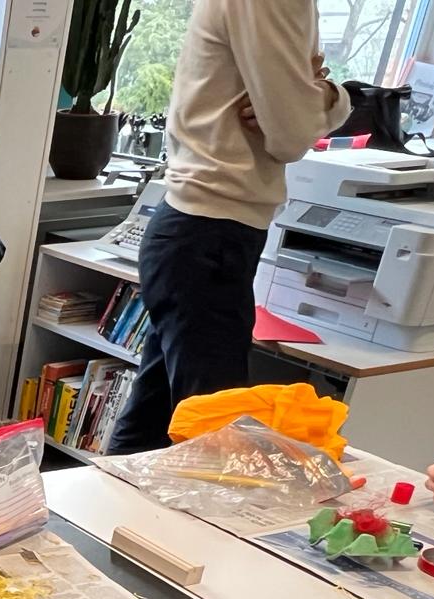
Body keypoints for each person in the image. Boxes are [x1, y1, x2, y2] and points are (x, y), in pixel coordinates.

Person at [106, 0, 351, 454]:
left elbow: (289, 119)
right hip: (209, 233)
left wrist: (303, 97)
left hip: (198, 231)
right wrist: (330, 98)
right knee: (216, 440)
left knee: (152, 424)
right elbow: (293, 135)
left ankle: (104, 499)